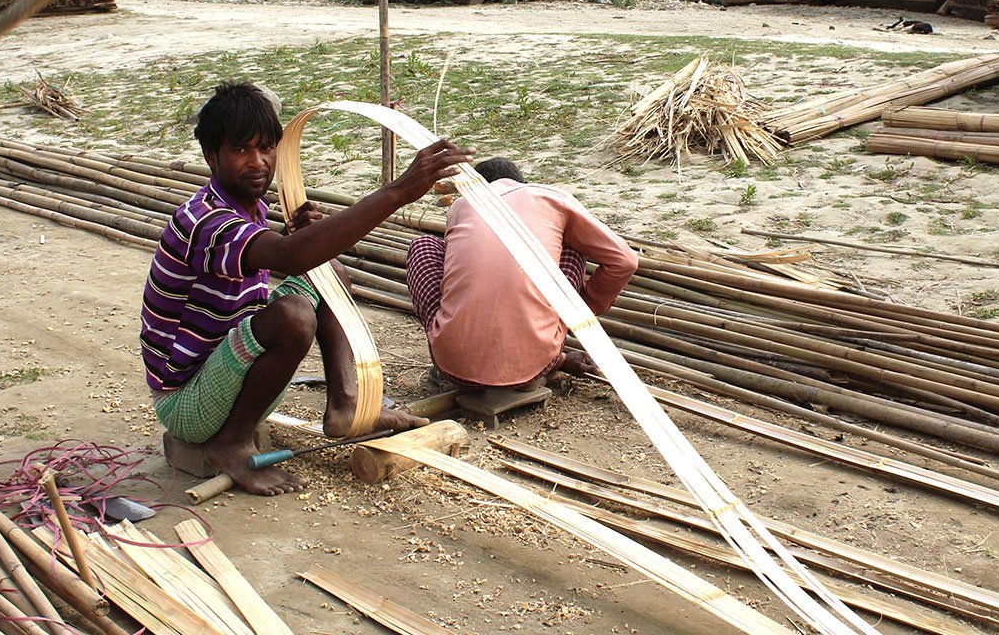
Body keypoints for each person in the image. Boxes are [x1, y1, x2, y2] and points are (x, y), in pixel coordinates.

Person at [140, 81, 474, 495]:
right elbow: (287, 257)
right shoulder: (205, 220)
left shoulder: (248, 207)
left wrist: (297, 238)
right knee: (293, 314)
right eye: (241, 150)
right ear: (212, 156)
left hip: (225, 375)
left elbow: (279, 256)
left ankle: (344, 405)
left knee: (327, 268)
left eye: (266, 148)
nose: (258, 162)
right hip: (188, 402)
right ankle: (229, 443)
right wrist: (399, 191)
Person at [405, 157, 638, 390]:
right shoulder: (551, 198)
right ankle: (543, 347)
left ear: (475, 185)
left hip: (453, 365)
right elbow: (624, 261)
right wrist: (583, 310)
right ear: (521, 182)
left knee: (424, 246)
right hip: (537, 364)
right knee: (571, 245)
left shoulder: (461, 205)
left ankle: (455, 347)